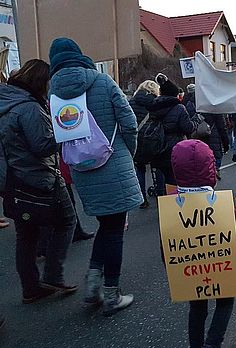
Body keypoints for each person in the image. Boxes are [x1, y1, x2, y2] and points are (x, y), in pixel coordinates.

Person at [49, 38, 142, 316]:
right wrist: (129, 153)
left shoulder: (52, 95)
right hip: (114, 161)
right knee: (114, 230)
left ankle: (92, 285)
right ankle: (111, 295)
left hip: (82, 170)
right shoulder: (103, 82)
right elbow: (129, 122)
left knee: (107, 224)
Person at [170, 139, 236, 348]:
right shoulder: (217, 203)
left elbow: (168, 239)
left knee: (197, 309)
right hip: (218, 266)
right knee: (225, 302)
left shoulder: (173, 205)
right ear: (210, 168)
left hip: (191, 268)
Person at [0, 59, 78, 303]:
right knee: (67, 221)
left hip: (13, 179)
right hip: (38, 177)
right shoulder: (29, 108)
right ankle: (53, 275)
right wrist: (65, 132)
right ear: (41, 82)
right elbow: (42, 145)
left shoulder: (6, 101)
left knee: (26, 234)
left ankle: (31, 288)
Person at [147, 73, 197, 185]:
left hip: (158, 145)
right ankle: (173, 199)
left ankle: (162, 196)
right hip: (176, 147)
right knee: (176, 179)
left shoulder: (153, 106)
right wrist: (196, 122)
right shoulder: (179, 108)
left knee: (162, 173)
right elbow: (188, 128)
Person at [183, 84, 229, 179]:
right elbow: (221, 125)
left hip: (196, 134)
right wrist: (226, 142)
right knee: (216, 154)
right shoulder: (211, 102)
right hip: (213, 132)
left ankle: (206, 172)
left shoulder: (187, 104)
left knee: (201, 155)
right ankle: (215, 170)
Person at [129, 79, 161, 207]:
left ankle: (142, 199)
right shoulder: (157, 103)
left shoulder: (131, 103)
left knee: (140, 169)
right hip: (153, 138)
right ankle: (161, 195)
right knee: (159, 167)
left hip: (137, 139)